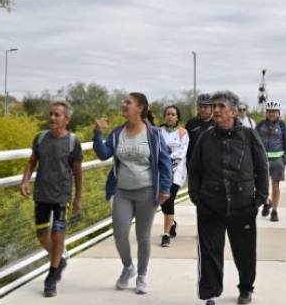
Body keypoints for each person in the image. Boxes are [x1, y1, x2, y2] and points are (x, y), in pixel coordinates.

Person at [188, 90, 269, 305]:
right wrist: (197, 197)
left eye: (221, 106)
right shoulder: (205, 137)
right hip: (210, 206)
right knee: (210, 253)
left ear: (234, 111)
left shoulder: (249, 136)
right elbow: (194, 169)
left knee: (244, 251)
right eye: (214, 106)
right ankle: (210, 300)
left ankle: (246, 287)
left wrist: (259, 199)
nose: (215, 110)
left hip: (243, 205)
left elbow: (262, 168)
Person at [92, 93, 172, 294]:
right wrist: (97, 133)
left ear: (140, 108)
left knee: (143, 236)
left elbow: (165, 162)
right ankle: (128, 268)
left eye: (128, 102)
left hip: (147, 191)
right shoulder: (118, 132)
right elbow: (103, 154)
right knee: (119, 234)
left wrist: (165, 188)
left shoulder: (153, 134)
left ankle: (143, 275)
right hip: (122, 191)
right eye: (124, 102)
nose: (123, 104)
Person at [20, 99, 83, 298]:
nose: (52, 118)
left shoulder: (73, 142)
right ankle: (59, 260)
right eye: (51, 114)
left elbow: (78, 172)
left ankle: (52, 275)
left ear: (67, 119)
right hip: (42, 194)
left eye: (57, 115)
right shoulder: (40, 138)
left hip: (61, 195)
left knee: (58, 234)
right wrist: (25, 181)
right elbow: (31, 162)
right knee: (41, 235)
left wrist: (78, 198)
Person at [255, 100, 286, 222]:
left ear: (278, 113)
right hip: (262, 160)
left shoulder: (283, 126)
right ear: (266, 113)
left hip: (277, 161)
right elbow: (254, 141)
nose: (271, 114)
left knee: (275, 186)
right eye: (269, 111)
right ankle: (267, 202)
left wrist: (285, 160)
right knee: (261, 186)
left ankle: (274, 211)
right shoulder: (260, 125)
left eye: (274, 111)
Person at [159, 105, 189, 247]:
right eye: (168, 114)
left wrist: (166, 159)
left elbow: (181, 152)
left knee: (168, 199)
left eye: (173, 114)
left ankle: (165, 235)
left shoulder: (183, 133)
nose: (170, 116)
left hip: (176, 173)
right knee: (163, 201)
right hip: (161, 173)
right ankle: (172, 223)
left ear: (177, 117)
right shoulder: (159, 132)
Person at [185, 93, 215, 164]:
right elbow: (186, 146)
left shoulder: (218, 124)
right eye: (200, 106)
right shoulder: (191, 123)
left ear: (212, 108)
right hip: (193, 165)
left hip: (212, 167)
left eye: (205, 107)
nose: (202, 109)